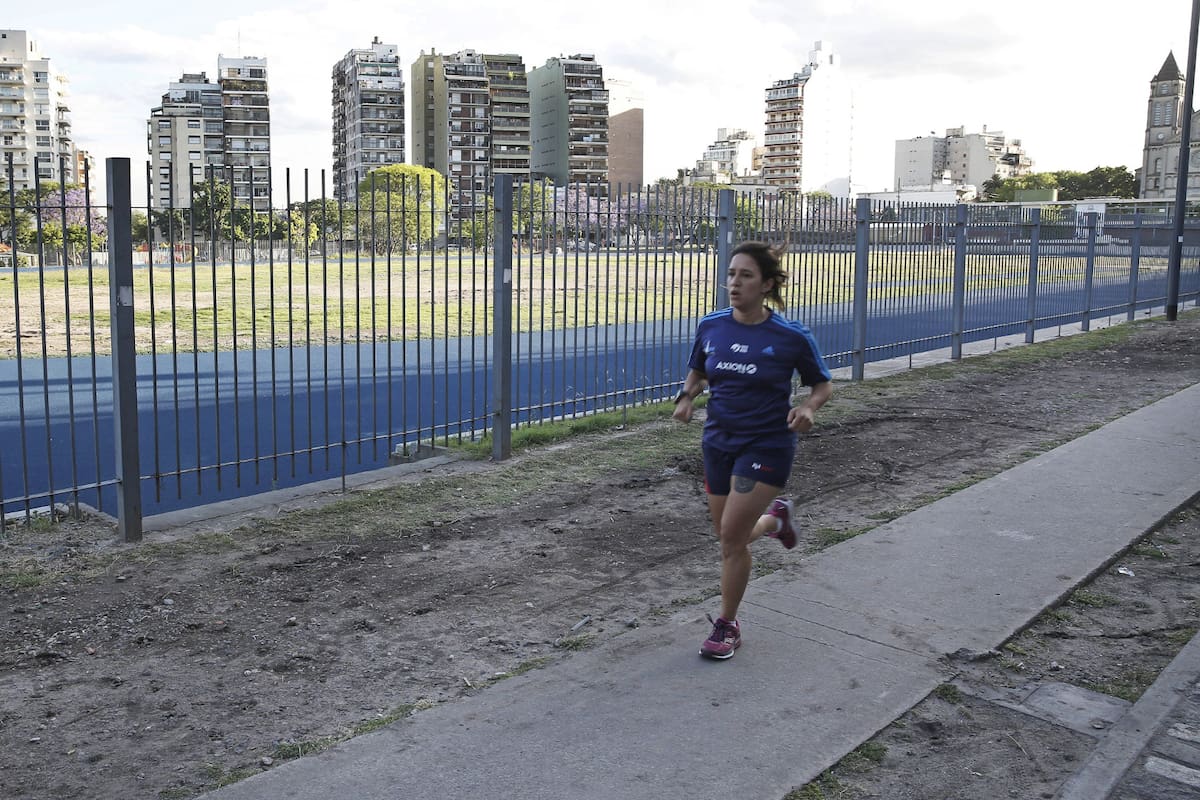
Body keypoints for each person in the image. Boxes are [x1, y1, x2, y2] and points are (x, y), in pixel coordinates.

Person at [672, 240, 832, 660]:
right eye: (730, 274)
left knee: (730, 538)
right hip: (718, 441)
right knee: (730, 536)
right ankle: (777, 520)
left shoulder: (791, 336)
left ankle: (727, 625)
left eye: (745, 275)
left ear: (766, 285)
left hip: (767, 444)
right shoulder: (711, 326)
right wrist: (686, 397)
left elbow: (822, 384)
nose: (734, 283)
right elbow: (698, 371)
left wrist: (809, 407)